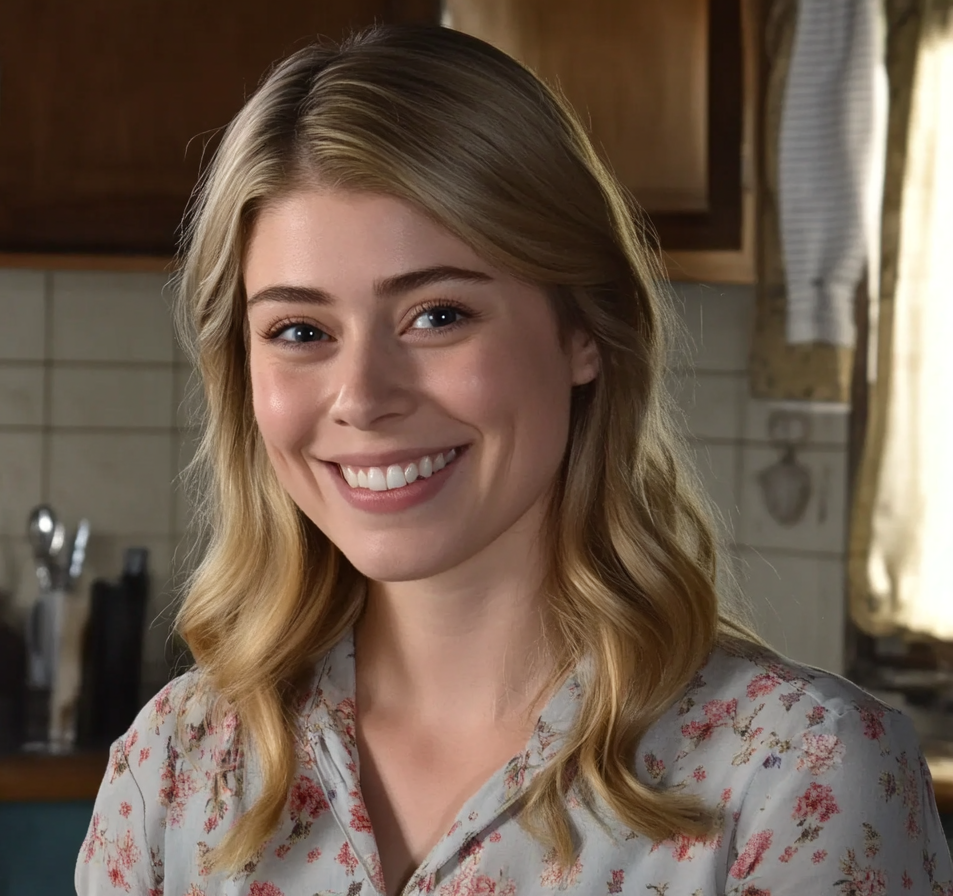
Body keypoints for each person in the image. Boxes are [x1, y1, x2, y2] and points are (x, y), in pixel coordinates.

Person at [76, 23, 953, 896]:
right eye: (300, 331)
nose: (362, 396)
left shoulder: (799, 777)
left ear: (583, 330)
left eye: (438, 314)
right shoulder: (174, 769)